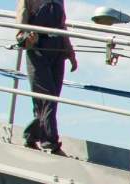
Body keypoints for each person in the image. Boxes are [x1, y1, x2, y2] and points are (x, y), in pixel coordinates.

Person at [16, 0, 76, 152]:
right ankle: (50, 143)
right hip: (38, 48)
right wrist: (24, 38)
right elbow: (21, 23)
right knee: (46, 97)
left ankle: (31, 136)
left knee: (53, 98)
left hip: (58, 50)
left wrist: (69, 51)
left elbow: (62, 25)